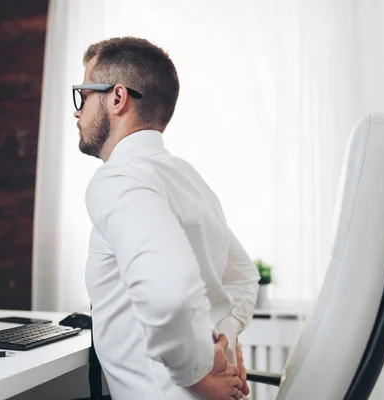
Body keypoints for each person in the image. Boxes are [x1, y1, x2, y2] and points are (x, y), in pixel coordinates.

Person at [74, 36, 260, 400]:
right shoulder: (189, 179)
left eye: (83, 95)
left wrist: (198, 376)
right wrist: (219, 342)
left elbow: (170, 291)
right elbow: (244, 277)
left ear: (116, 98)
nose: (77, 111)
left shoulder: (118, 178)